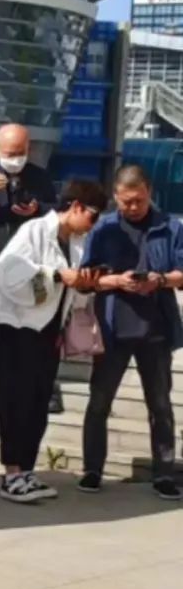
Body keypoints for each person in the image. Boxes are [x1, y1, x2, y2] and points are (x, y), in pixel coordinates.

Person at [0, 178, 107, 504]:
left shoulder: (76, 242)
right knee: (16, 402)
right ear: (77, 207)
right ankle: (11, 473)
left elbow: (70, 289)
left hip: (48, 331)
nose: (93, 224)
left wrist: (83, 284)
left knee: (39, 403)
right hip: (16, 329)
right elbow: (10, 276)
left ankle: (26, 469)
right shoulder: (34, 231)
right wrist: (55, 275)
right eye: (93, 216)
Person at [79, 164, 183, 502]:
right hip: (113, 328)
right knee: (99, 401)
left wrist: (160, 280)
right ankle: (92, 469)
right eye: (126, 202)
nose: (133, 207)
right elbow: (86, 277)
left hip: (156, 330)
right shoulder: (104, 228)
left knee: (160, 405)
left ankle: (163, 472)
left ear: (149, 192)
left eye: (138, 200)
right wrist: (115, 281)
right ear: (116, 197)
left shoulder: (169, 226)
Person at [0, 123, 56, 408]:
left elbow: (55, 211)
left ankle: (25, 384)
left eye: (20, 153)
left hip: (30, 263)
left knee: (28, 326)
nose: (15, 159)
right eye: (10, 153)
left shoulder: (39, 177)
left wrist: (38, 209)